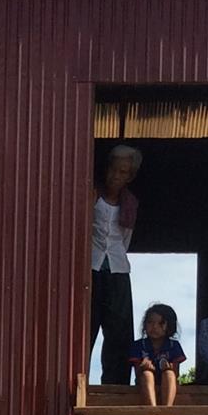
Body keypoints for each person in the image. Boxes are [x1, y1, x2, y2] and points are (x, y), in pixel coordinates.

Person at [89, 142, 141, 385]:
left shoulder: (130, 203)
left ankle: (115, 383)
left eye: (123, 172)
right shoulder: (93, 194)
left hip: (118, 269)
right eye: (113, 169)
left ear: (130, 177)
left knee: (119, 330)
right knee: (86, 323)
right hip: (90, 266)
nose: (116, 176)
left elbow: (125, 239)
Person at [130, 303, 188, 415]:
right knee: (147, 374)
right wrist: (144, 367)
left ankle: (167, 411)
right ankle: (152, 412)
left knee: (169, 374)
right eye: (150, 322)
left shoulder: (173, 345)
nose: (154, 327)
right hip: (145, 382)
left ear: (169, 326)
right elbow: (138, 374)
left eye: (160, 323)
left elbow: (175, 373)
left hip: (167, 382)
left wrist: (169, 367)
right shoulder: (139, 345)